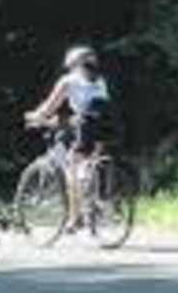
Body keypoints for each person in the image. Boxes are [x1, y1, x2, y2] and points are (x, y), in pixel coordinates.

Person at [24, 46, 113, 230]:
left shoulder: (68, 81)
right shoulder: (101, 81)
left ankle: (74, 218)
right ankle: (96, 205)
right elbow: (88, 111)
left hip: (86, 129)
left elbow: (49, 108)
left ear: (72, 64)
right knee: (88, 167)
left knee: (72, 168)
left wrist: (35, 117)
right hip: (104, 130)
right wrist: (61, 121)